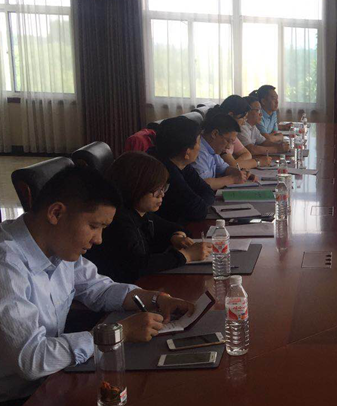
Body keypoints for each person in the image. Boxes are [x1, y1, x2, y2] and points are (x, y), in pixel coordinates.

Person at [0, 167, 196, 404]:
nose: (99, 239)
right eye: (94, 226)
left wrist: (155, 298)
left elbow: (100, 289)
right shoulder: (6, 265)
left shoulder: (58, 247)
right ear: (56, 213)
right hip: (20, 396)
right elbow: (32, 360)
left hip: (55, 378)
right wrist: (118, 333)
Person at [84, 152, 212, 284]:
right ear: (136, 187)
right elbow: (137, 265)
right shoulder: (117, 220)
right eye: (157, 190)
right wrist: (187, 255)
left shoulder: (141, 213)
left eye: (163, 188)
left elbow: (173, 227)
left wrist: (177, 236)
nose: (162, 194)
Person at [150, 116, 215, 225]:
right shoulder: (165, 172)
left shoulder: (181, 164)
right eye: (199, 142)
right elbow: (198, 211)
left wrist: (201, 203)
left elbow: (207, 191)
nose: (200, 147)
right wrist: (202, 203)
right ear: (187, 152)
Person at [192, 112, 254, 190]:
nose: (228, 147)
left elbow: (224, 168)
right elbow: (203, 184)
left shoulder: (212, 149)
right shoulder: (197, 151)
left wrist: (240, 173)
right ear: (215, 134)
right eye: (228, 141)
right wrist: (232, 179)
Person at [211, 97, 271, 170]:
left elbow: (247, 154)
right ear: (231, 115)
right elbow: (233, 166)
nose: (244, 123)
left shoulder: (232, 134)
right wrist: (258, 162)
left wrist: (236, 163)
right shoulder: (222, 136)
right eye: (243, 118)